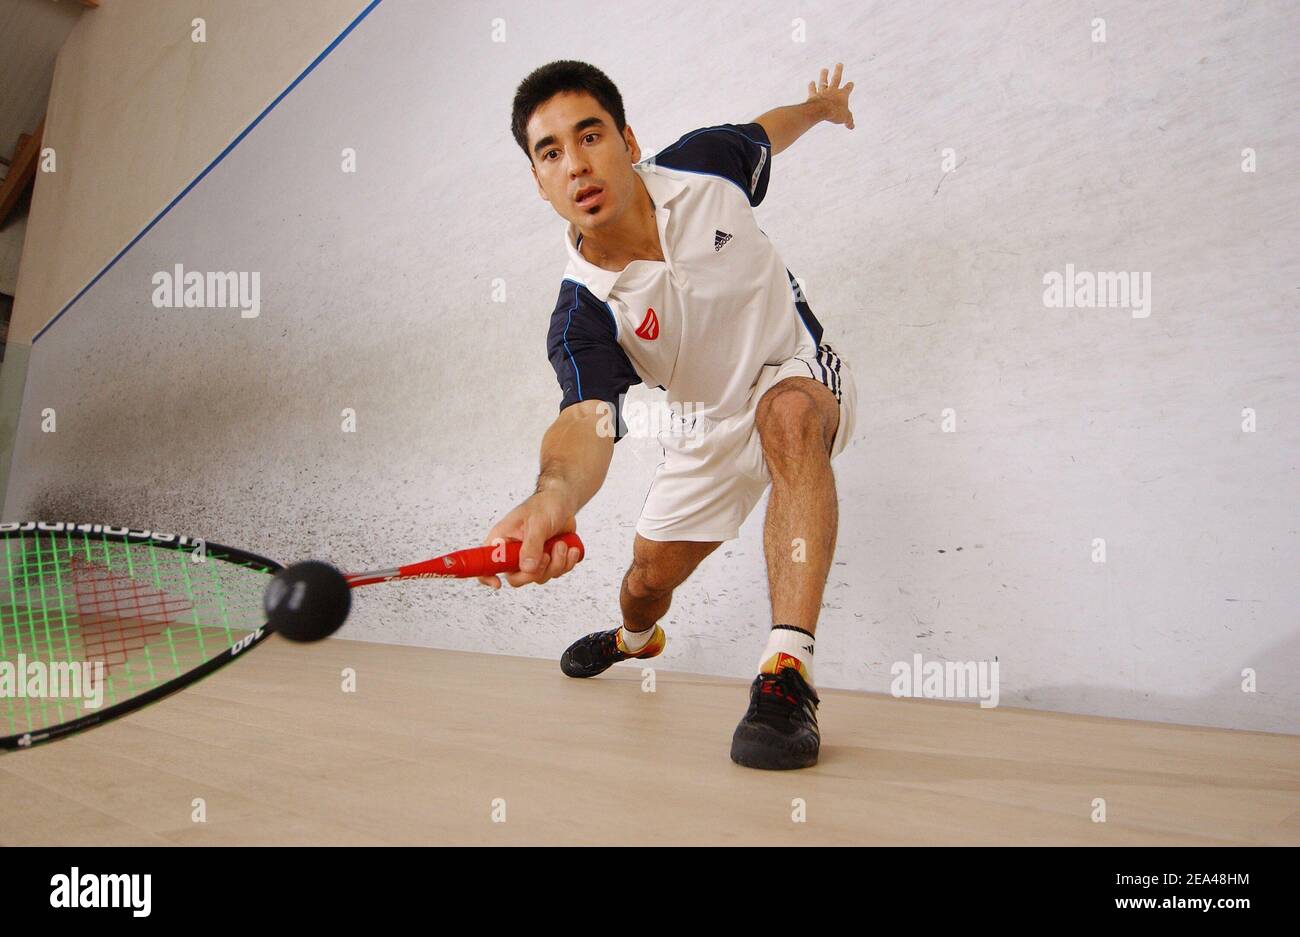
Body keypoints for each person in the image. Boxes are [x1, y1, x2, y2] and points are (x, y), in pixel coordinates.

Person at [479, 60, 859, 770]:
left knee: (788, 417)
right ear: (539, 181)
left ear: (627, 140)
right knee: (644, 583)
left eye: (589, 137)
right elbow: (586, 416)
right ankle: (632, 640)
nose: (576, 166)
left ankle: (787, 674)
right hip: (705, 429)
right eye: (550, 153)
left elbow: (767, 134)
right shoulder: (583, 313)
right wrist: (553, 494)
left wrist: (819, 106)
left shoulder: (706, 167)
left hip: (795, 375)